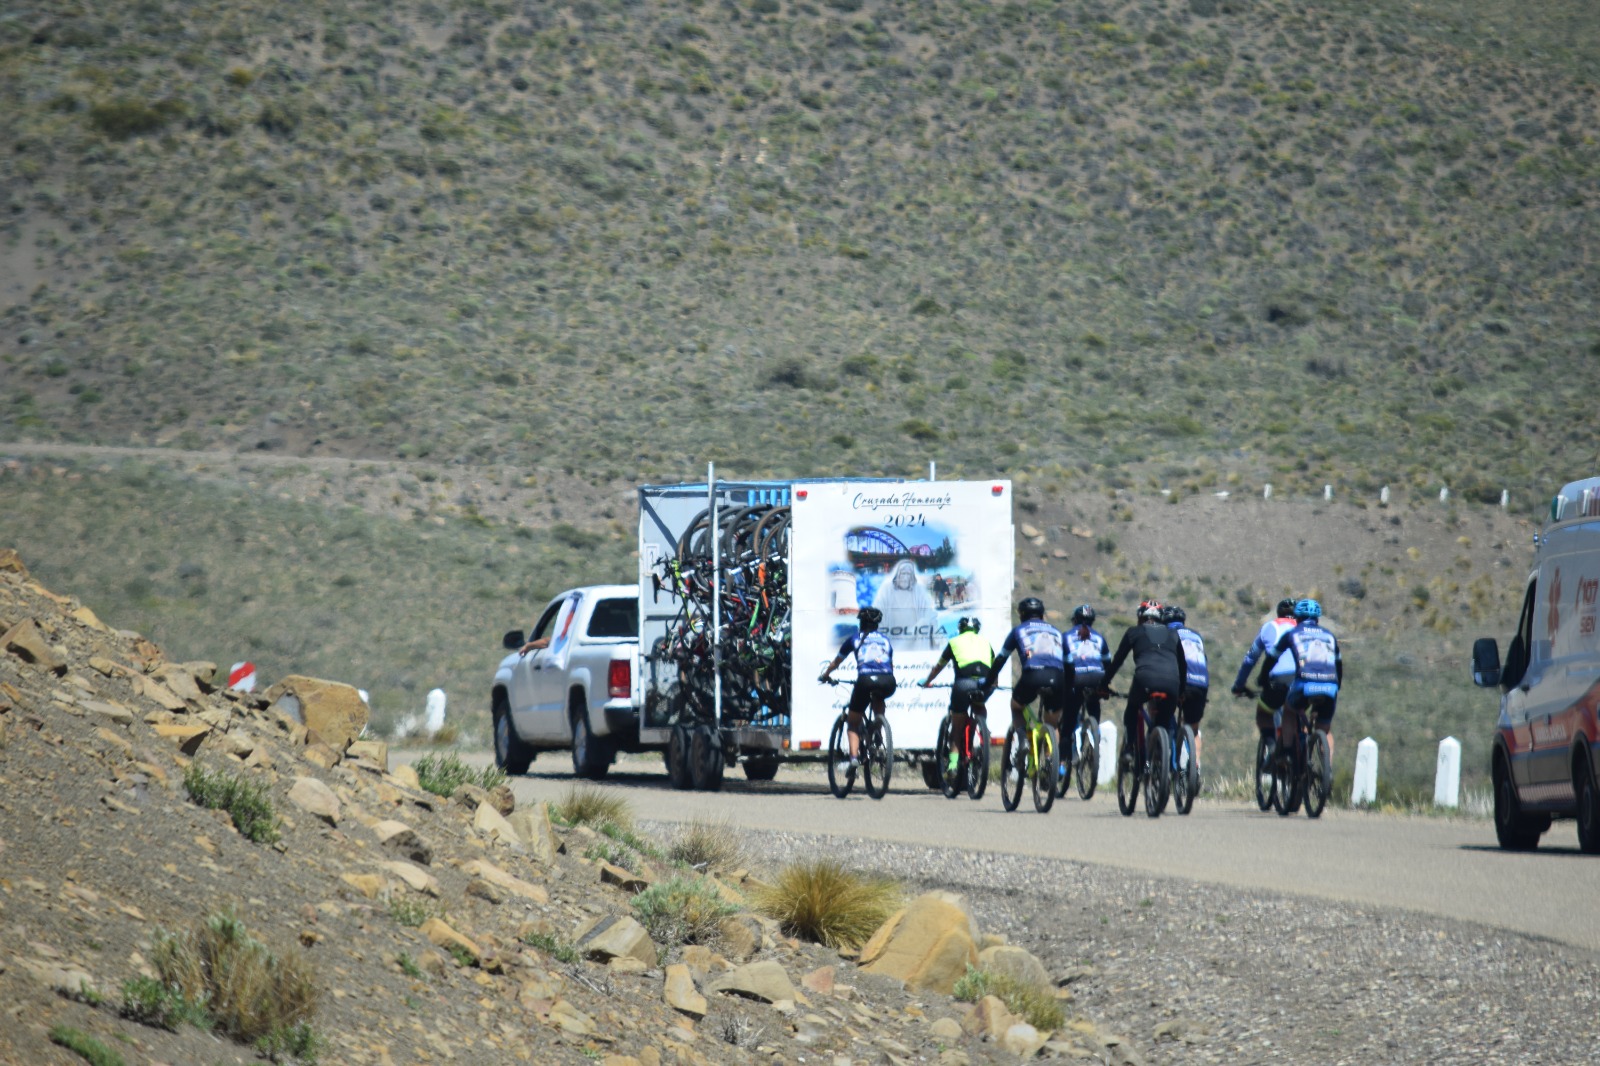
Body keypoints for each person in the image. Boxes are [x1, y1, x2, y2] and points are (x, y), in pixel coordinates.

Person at [1102, 600, 1187, 768]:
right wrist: (1181, 692)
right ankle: (1161, 759)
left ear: (1140, 617)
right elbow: (1183, 665)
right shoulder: (1173, 634)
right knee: (1164, 720)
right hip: (1172, 683)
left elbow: (1117, 661)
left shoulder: (1134, 632)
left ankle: (1128, 750)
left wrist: (1103, 684)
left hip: (1145, 679)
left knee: (1132, 708)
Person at [1262, 598, 1343, 760]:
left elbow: (1272, 658)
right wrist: (1336, 686)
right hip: (1330, 686)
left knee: (1289, 711)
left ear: (1297, 618)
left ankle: (1285, 750)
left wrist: (1263, 677)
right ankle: (1327, 772)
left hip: (1304, 684)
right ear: (1318, 619)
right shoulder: (1330, 636)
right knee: (1324, 728)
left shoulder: (1292, 633)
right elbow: (1338, 665)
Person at [817, 606, 895, 771]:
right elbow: (890, 664)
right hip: (888, 681)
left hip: (865, 680)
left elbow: (837, 661)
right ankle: (878, 730)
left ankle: (853, 758)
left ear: (861, 623)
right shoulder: (885, 640)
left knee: (853, 722)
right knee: (879, 697)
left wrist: (826, 674)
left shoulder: (854, 639)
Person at [985, 597, 1070, 746]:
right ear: (1042, 615)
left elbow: (1001, 658)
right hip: (1057, 677)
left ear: (1022, 615)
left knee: (1016, 707)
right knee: (1052, 724)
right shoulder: (1056, 632)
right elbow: (1069, 663)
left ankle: (1023, 740)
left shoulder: (1019, 630)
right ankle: (1051, 762)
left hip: (1033, 675)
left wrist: (989, 680)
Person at [919, 617, 995, 774]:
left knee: (957, 725)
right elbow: (994, 669)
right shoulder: (986, 643)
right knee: (980, 705)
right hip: (986, 683)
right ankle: (982, 728)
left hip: (963, 684)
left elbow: (938, 667)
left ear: (960, 628)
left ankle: (953, 764)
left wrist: (927, 681)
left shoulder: (954, 642)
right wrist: (994, 685)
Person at [1231, 598, 1299, 769]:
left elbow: (1250, 660)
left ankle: (1273, 748)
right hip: (1303, 679)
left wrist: (1239, 685)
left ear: (1278, 614)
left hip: (1277, 679)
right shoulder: (1304, 629)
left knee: (1264, 713)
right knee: (1299, 713)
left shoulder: (1269, 627)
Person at [1063, 604, 1111, 771]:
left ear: (1074, 620)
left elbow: (1062, 662)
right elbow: (1107, 662)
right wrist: (1105, 683)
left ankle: (1064, 760)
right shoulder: (1099, 637)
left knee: (1069, 717)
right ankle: (1095, 734)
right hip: (1097, 677)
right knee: (1093, 705)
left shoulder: (1066, 636)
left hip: (1077, 678)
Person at [1163, 604, 1210, 764]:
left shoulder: (1166, 634)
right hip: (1201, 683)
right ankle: (1195, 767)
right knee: (1194, 728)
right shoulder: (1196, 636)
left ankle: (1166, 746)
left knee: (1163, 711)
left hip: (1179, 682)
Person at [873, 559, 939, 649]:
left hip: (915, 637)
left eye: (908, 574)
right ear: (898, 575)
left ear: (911, 577)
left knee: (924, 622)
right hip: (892, 636)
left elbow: (929, 611)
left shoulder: (918, 589)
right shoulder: (887, 589)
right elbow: (877, 610)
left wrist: (936, 632)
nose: (905, 577)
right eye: (903, 573)